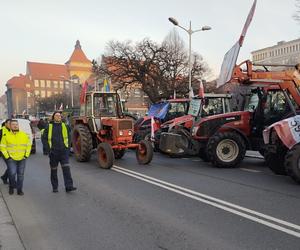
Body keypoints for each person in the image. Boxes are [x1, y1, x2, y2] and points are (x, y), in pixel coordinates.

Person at [42, 111, 77, 193]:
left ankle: (69, 186)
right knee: (54, 170)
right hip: (53, 153)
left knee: (66, 170)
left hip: (63, 152)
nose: (58, 117)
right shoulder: (49, 126)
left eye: (59, 116)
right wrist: (48, 150)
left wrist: (67, 148)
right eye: (56, 115)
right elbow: (44, 138)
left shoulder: (65, 126)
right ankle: (55, 187)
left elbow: (69, 137)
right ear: (53, 117)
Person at [0, 119, 31, 195]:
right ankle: (11, 187)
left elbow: (28, 145)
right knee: (12, 174)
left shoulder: (24, 135)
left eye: (16, 124)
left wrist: (26, 155)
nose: (15, 125)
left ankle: (19, 190)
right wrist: (7, 157)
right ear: (10, 126)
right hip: (11, 159)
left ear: (18, 126)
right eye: (13, 124)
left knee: (20, 175)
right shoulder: (6, 136)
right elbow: (2, 147)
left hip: (22, 158)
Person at [0, 119, 11, 184]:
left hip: (12, 152)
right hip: (4, 151)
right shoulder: (1, 131)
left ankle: (4, 177)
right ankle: (12, 182)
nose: (10, 125)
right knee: (11, 166)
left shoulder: (12, 131)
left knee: (11, 166)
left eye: (11, 123)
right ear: (6, 124)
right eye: (9, 123)